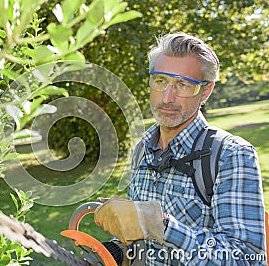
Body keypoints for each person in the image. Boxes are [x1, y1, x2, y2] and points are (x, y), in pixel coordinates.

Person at [94, 32, 266, 265]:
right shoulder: (143, 149)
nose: (167, 97)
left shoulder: (231, 155)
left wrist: (161, 226)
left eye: (183, 84)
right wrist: (113, 252)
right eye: (160, 81)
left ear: (205, 91)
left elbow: (246, 259)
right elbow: (139, 242)